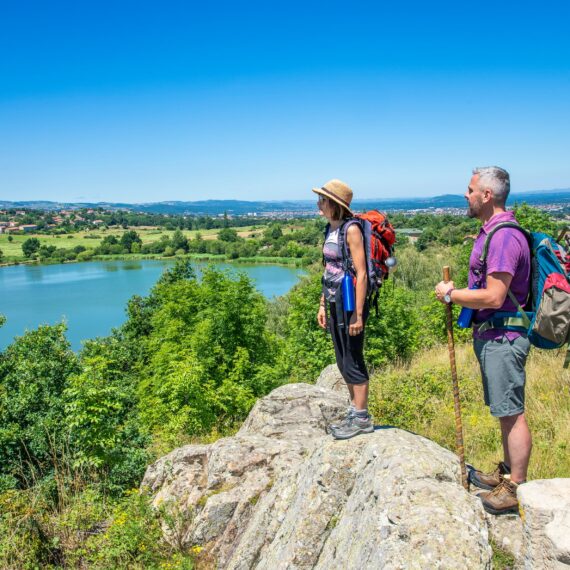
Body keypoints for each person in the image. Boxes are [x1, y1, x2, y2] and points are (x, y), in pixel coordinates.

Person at [435, 166, 531, 516]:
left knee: (511, 413)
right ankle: (506, 473)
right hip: (495, 335)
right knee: (504, 411)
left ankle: (514, 486)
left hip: (505, 336)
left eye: (471, 189)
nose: (466, 194)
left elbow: (493, 296)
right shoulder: (492, 231)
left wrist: (452, 295)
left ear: (487, 195)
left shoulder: (504, 237)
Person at [314, 179, 374, 440]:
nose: (319, 203)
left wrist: (358, 314)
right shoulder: (330, 228)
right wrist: (322, 304)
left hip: (350, 303)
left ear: (334, 204)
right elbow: (328, 269)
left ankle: (362, 418)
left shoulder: (351, 230)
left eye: (322, 199)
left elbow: (361, 274)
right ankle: (354, 411)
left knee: (352, 357)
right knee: (341, 359)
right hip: (333, 299)